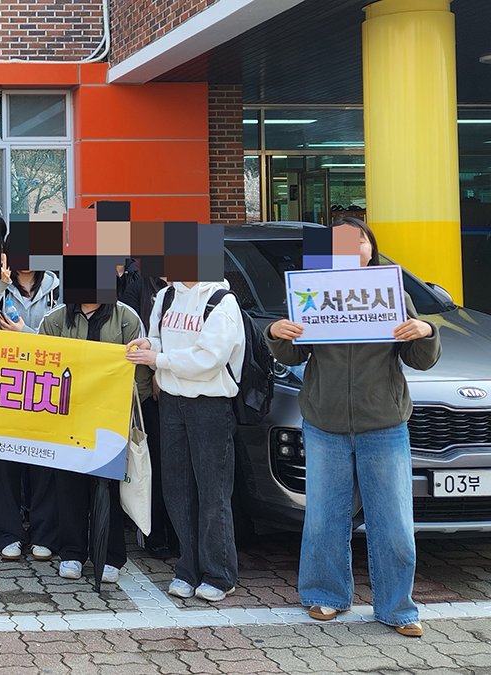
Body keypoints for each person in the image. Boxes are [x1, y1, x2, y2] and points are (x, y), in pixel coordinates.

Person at [266, 218, 440, 637]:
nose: (350, 247)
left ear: (371, 249)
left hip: (383, 422)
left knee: (393, 521)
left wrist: (425, 331)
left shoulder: (392, 293)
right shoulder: (312, 292)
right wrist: (275, 332)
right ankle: (325, 594)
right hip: (324, 422)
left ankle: (398, 608)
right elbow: (292, 354)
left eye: (358, 240)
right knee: (325, 516)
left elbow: (420, 359)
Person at [125, 275, 244, 603]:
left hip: (211, 403)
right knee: (177, 488)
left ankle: (219, 574)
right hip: (172, 401)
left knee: (213, 491)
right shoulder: (165, 297)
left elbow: (210, 359)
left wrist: (159, 360)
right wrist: (150, 347)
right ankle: (188, 568)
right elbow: (158, 339)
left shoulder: (222, 301)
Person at [0, 216, 62, 562]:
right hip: (3, 386)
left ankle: (44, 533)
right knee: (4, 464)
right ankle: (6, 532)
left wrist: (25, 333)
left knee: (44, 465)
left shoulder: (56, 289)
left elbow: (62, 339)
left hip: (45, 388)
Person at [41, 298, 150, 583]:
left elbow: (140, 373)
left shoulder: (126, 317)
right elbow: (42, 362)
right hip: (68, 418)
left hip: (110, 420)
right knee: (69, 487)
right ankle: (71, 553)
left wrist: (123, 409)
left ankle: (111, 556)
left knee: (108, 488)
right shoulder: (55, 318)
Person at [117, 261, 178, 558]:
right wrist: (152, 371)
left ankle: (179, 536)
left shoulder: (199, 290)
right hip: (149, 387)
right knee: (150, 461)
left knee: (173, 466)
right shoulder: (140, 284)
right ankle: (154, 534)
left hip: (181, 386)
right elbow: (137, 336)